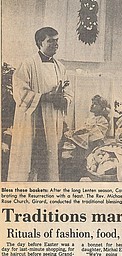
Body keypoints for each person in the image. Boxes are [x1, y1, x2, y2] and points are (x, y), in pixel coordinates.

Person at [8, 27, 73, 181]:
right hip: (34, 118)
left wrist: (63, 99)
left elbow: (69, 92)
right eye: (50, 41)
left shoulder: (60, 67)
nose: (55, 44)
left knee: (50, 155)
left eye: (56, 41)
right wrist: (44, 97)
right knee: (33, 154)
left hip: (52, 117)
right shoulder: (28, 65)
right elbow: (20, 92)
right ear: (39, 43)